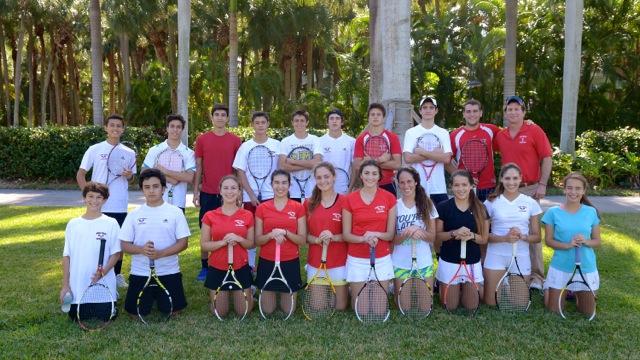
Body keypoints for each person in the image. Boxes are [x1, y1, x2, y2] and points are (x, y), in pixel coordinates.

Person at [494, 95, 552, 290]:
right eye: (509, 109)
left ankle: (537, 277)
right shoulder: (500, 135)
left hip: (530, 187)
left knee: (533, 233)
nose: (513, 112)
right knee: (506, 227)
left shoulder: (534, 130)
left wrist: (543, 184)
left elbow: (547, 157)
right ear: (505, 113)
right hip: (507, 187)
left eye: (517, 109)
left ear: (523, 112)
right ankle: (508, 270)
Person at [120, 169, 191, 317]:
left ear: (164, 189)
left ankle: (157, 298)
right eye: (147, 187)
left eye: (155, 186)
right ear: (142, 190)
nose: (151, 191)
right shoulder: (134, 214)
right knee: (135, 313)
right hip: (140, 272)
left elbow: (183, 243)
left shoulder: (175, 212)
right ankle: (150, 297)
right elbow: (124, 245)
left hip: (169, 271)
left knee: (173, 312)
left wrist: (160, 254)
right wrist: (141, 250)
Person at [76, 114, 136, 288]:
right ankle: (95, 271)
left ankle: (116, 274)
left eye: (119, 126)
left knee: (118, 241)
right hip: (98, 205)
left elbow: (132, 179)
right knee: (98, 240)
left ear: (123, 129)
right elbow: (81, 174)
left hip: (119, 204)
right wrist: (89, 196)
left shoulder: (129, 152)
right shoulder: (95, 149)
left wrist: (130, 176)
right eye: (112, 125)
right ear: (106, 128)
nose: (115, 128)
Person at [193, 104, 242, 281]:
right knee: (205, 231)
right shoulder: (202, 139)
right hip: (207, 192)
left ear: (227, 118)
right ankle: (205, 267)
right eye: (217, 114)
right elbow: (198, 167)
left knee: (231, 229)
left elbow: (238, 170)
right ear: (212, 118)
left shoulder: (236, 140)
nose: (220, 117)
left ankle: (233, 263)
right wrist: (196, 191)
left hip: (229, 194)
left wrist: (240, 192)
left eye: (223, 115)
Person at [60, 182, 121, 321]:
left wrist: (103, 271)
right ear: (84, 198)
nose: (94, 201)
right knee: (76, 318)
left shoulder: (111, 223)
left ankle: (112, 299)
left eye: (99, 197)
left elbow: (116, 254)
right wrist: (65, 286)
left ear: (105, 200)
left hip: (103, 285)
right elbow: (66, 256)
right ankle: (75, 301)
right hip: (78, 286)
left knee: (107, 317)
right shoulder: (73, 224)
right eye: (90, 196)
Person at [482, 163, 542, 306]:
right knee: (491, 303)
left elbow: (537, 237)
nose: (511, 182)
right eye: (507, 178)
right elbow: (484, 237)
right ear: (501, 179)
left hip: (520, 255)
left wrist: (523, 237)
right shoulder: (491, 202)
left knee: (520, 304)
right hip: (496, 255)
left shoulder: (530, 203)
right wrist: (505, 238)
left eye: (515, 178)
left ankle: (507, 285)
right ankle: (498, 284)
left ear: (521, 178)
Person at [542, 172, 601, 316]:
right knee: (554, 311)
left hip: (586, 267)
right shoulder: (552, 212)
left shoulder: (591, 212)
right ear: (564, 189)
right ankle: (547, 289)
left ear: (583, 191)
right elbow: (548, 241)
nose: (573, 192)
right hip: (561, 266)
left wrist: (586, 241)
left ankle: (575, 292)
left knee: (587, 312)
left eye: (577, 188)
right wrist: (568, 245)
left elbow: (597, 241)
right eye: (569, 188)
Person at [343, 160, 397, 308]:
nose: (370, 177)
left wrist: (376, 234)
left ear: (380, 176)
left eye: (374, 174)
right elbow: (346, 235)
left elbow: (390, 235)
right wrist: (363, 239)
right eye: (366, 173)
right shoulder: (349, 199)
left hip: (381, 258)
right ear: (360, 175)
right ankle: (355, 287)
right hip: (357, 258)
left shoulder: (389, 198)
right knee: (362, 309)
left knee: (379, 310)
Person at [233, 111, 281, 271]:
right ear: (252, 125)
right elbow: (240, 172)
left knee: (270, 234)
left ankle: (270, 267)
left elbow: (280, 170)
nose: (260, 125)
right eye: (257, 122)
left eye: (263, 122)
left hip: (271, 197)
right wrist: (251, 195)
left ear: (268, 124)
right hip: (249, 198)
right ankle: (251, 269)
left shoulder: (276, 145)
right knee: (251, 236)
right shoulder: (245, 146)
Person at [201, 175, 255, 317]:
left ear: (239, 191)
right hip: (217, 267)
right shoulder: (209, 215)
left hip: (240, 266)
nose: (229, 191)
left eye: (233, 188)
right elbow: (204, 246)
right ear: (219, 190)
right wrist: (222, 242)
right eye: (226, 188)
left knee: (244, 311)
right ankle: (219, 295)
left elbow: (250, 244)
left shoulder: (247, 215)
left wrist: (239, 239)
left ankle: (249, 293)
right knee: (220, 312)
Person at [435, 170, 489, 311]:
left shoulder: (481, 208)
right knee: (450, 306)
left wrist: (471, 236)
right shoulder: (443, 207)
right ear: (451, 187)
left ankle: (464, 286)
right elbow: (438, 236)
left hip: (471, 261)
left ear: (471, 185)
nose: (460, 189)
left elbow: (484, 239)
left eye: (464, 185)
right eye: (456, 185)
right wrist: (454, 233)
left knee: (472, 306)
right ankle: (448, 285)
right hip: (449, 261)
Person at [254, 170, 306, 315]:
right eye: (276, 182)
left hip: (290, 261)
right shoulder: (262, 208)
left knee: (288, 309)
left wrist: (285, 233)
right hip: (267, 261)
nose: (280, 186)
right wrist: (271, 234)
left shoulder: (298, 207)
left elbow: (302, 239)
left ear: (289, 185)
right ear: (271, 184)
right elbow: (257, 240)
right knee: (267, 310)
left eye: (284, 183)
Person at [304, 162, 349, 311]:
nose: (323, 181)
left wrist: (333, 237)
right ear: (315, 180)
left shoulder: (345, 201)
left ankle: (346, 287)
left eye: (326, 176)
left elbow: (349, 234)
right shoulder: (308, 203)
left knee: (340, 307)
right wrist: (317, 239)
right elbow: (305, 236)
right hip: (316, 261)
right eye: (319, 177)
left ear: (334, 177)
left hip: (338, 261)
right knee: (318, 307)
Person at [392, 167, 437, 301]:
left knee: (426, 305)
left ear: (416, 182)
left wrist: (419, 231)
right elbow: (393, 239)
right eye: (402, 182)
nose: (406, 186)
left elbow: (432, 237)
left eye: (409, 181)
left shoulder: (427, 203)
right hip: (400, 262)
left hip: (423, 261)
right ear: (398, 184)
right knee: (402, 306)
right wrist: (406, 234)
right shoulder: (394, 205)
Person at [403, 96, 453, 206]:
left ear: (436, 111)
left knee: (440, 223)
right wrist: (436, 154)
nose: (428, 110)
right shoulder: (411, 132)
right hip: (418, 188)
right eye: (424, 107)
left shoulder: (443, 132)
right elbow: (407, 158)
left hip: (439, 189)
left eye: (431, 107)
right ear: (420, 111)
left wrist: (422, 152)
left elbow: (447, 158)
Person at [448, 99, 500, 202]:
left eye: (475, 111)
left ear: (481, 113)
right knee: (467, 218)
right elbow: (446, 161)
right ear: (463, 114)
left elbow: (510, 134)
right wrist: (463, 177)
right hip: (464, 188)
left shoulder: (492, 130)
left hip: (488, 186)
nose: (472, 114)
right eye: (468, 111)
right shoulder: (455, 135)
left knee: (486, 218)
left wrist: (525, 122)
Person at [142, 114, 195, 212]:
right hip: (155, 201)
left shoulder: (189, 153)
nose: (175, 129)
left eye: (178, 127)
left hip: (178, 203)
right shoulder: (154, 150)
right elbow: (144, 172)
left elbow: (189, 177)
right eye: (172, 126)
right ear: (167, 128)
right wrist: (170, 179)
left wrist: (164, 170)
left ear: (182, 130)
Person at [353, 103, 401, 195]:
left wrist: (369, 162)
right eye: (372, 114)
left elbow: (397, 164)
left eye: (378, 114)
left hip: (388, 184)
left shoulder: (392, 137)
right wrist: (379, 160)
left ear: (383, 118)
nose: (375, 117)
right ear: (368, 118)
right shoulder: (361, 139)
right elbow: (357, 166)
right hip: (367, 184)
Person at [278, 109, 322, 202]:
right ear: (292, 123)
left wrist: (293, 162)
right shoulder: (285, 141)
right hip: (291, 191)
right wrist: (308, 165)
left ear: (307, 123)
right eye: (296, 121)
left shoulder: (315, 140)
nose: (299, 123)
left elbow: (317, 163)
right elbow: (282, 166)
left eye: (302, 120)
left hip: (312, 190)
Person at [317, 109, 356, 194]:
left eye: (337, 118)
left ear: (342, 122)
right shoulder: (319, 141)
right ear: (327, 122)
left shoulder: (351, 141)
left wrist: (350, 188)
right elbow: (317, 166)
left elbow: (354, 167)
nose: (334, 121)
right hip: (324, 188)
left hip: (344, 189)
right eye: (331, 118)